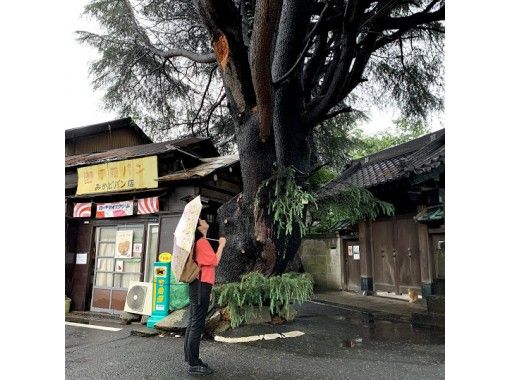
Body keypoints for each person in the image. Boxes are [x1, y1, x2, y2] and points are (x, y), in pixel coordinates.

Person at [184, 218, 226, 376]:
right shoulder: (201, 242)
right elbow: (215, 261)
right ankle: (193, 363)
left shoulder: (198, 242)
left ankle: (191, 358)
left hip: (197, 284)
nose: (204, 220)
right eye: (201, 220)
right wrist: (221, 244)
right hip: (202, 284)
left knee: (193, 321)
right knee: (196, 323)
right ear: (199, 227)